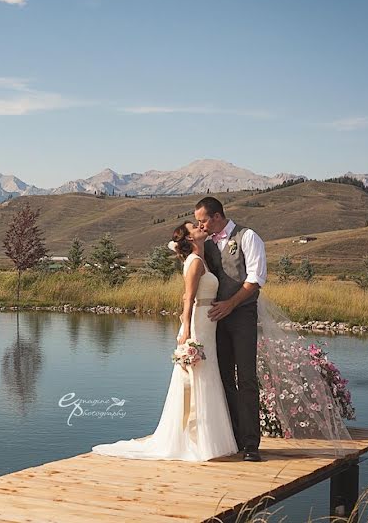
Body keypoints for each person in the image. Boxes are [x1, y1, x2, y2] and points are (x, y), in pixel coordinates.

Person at [91, 221, 238, 461]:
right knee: (196, 375)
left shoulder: (202, 259)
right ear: (189, 238)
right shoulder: (195, 262)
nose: (200, 227)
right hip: (198, 324)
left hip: (207, 323)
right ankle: (194, 441)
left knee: (207, 374)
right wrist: (187, 330)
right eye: (194, 227)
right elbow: (188, 298)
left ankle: (209, 440)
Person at [195, 196, 266, 462]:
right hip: (216, 319)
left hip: (243, 316)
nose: (200, 225)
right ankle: (232, 438)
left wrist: (231, 304)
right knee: (222, 377)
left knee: (246, 378)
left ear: (216, 216)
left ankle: (251, 445)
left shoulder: (247, 237)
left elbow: (256, 278)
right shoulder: (207, 243)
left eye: (202, 220)